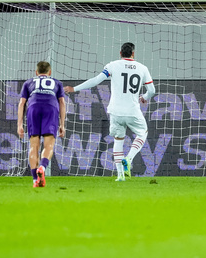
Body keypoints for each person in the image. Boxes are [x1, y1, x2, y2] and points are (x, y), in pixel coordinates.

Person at [64, 42, 155, 181]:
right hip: (132, 110)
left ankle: (120, 177)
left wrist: (74, 89)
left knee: (118, 140)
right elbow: (152, 91)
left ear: (120, 53)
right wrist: (144, 97)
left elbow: (95, 81)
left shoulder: (112, 65)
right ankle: (129, 158)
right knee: (143, 133)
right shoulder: (142, 68)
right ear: (133, 53)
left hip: (115, 111)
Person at [17, 61, 66, 188]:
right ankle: (42, 168)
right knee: (49, 145)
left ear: (36, 72)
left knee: (34, 146)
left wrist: (19, 125)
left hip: (33, 108)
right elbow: (62, 103)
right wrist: (62, 124)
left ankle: (35, 180)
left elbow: (21, 103)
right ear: (49, 72)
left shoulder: (28, 83)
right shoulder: (57, 82)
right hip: (50, 108)